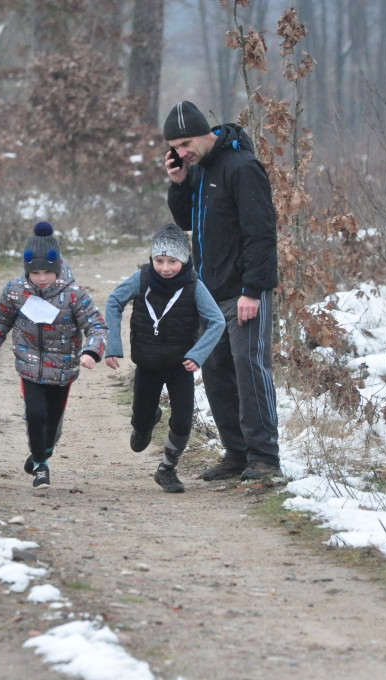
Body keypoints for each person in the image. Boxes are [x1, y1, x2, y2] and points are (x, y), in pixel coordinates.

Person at [163, 100, 282, 481]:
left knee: (250, 371)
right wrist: (179, 183)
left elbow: (261, 233)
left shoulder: (242, 168)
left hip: (245, 292)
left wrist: (253, 289)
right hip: (210, 295)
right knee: (215, 372)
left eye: (185, 144)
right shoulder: (198, 170)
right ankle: (236, 454)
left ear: (204, 132)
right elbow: (187, 222)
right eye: (175, 148)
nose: (181, 153)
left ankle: (264, 459)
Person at [0, 221, 108, 489]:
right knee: (35, 414)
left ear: (57, 267)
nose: (42, 278)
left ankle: (43, 450)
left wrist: (92, 350)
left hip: (63, 369)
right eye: (35, 272)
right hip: (30, 364)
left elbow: (96, 325)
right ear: (27, 270)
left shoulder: (74, 294)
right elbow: (1, 319)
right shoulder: (15, 291)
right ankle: (40, 466)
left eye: (47, 271)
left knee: (52, 423)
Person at [104, 224, 225, 492]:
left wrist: (198, 354)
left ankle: (167, 469)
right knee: (140, 430)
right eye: (159, 261)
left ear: (184, 260)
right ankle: (146, 422)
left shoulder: (194, 285)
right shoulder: (142, 279)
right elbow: (113, 302)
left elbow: (216, 320)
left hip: (181, 365)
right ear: (152, 259)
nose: (166, 268)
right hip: (147, 365)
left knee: (182, 422)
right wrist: (113, 345)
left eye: (173, 261)